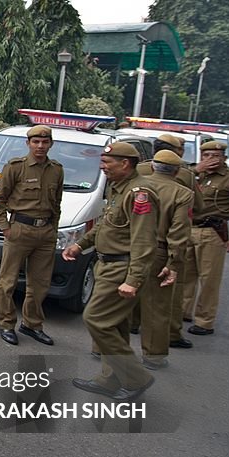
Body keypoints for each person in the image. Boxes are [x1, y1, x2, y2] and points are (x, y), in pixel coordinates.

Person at [63, 142, 159, 401]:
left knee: (95, 319)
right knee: (115, 326)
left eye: (107, 163)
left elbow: (143, 240)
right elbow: (107, 225)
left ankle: (137, 378)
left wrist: (134, 279)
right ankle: (110, 379)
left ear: (125, 163)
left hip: (122, 267)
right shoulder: (119, 188)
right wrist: (80, 245)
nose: (102, 167)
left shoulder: (140, 193)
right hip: (106, 264)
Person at [0, 124, 63, 346]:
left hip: (45, 233)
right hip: (19, 230)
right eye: (36, 142)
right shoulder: (15, 167)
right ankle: (6, 323)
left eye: (45, 142)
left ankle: (32, 324)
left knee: (40, 284)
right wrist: (6, 228)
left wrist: (53, 229)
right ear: (28, 143)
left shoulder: (56, 170)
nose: (40, 146)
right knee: (8, 281)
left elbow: (57, 203)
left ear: (51, 144)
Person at [134, 133, 203, 350]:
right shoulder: (185, 181)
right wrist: (175, 261)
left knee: (128, 290)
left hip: (134, 245)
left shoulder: (138, 174)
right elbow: (183, 225)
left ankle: (126, 332)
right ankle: (163, 343)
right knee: (162, 301)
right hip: (162, 248)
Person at [182, 140, 229, 336]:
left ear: (224, 158)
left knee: (209, 279)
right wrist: (197, 169)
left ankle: (204, 321)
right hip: (189, 229)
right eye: (206, 155)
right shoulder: (194, 174)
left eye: (216, 156)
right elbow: (175, 182)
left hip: (212, 232)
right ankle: (182, 311)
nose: (211, 160)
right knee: (185, 276)